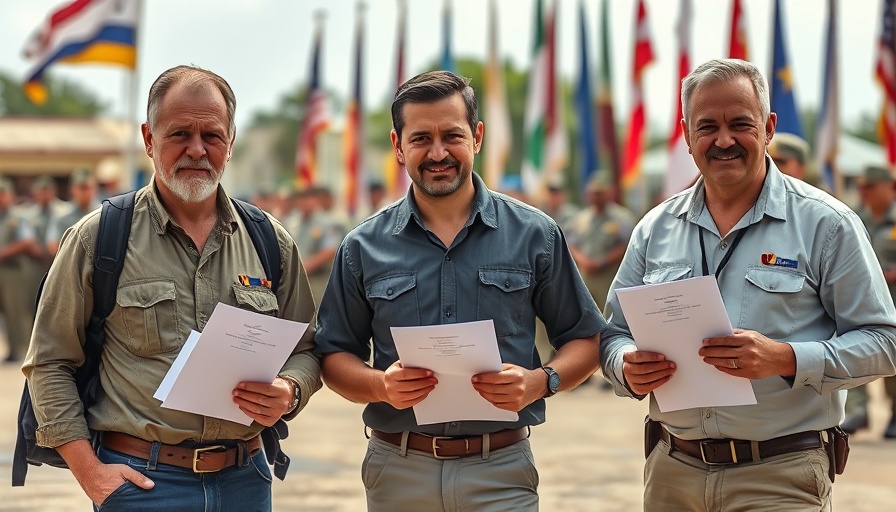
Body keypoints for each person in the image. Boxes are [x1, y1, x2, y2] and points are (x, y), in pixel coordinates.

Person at [600, 58, 896, 511]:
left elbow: (885, 342)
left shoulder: (827, 225)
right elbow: (612, 334)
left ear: (769, 126)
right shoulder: (654, 228)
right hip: (672, 473)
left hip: (780, 474)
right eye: (707, 127)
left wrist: (785, 358)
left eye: (740, 124)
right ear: (686, 134)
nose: (723, 140)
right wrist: (626, 364)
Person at [23, 65, 321, 511]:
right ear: (148, 138)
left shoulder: (269, 240)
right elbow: (49, 363)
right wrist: (91, 473)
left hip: (247, 481)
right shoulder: (98, 239)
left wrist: (291, 390)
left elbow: (308, 347)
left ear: (231, 142)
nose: (197, 149)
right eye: (179, 133)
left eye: (212, 136)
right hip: (141, 483)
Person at [314, 70, 604, 512]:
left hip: (501, 470)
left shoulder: (536, 235)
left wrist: (538, 382)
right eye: (420, 138)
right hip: (398, 472)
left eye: (452, 135)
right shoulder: (361, 246)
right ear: (397, 146)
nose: (437, 153)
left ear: (477, 137)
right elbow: (333, 355)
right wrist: (380, 386)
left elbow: (585, 338)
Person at [843, 164, 896, 438]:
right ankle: (858, 410)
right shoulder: (852, 217)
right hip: (863, 298)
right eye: (861, 187)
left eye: (870, 187)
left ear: (890, 187)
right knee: (853, 349)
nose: (864, 192)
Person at [568, 171, 635, 311]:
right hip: (585, 278)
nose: (596, 197)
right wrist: (583, 261)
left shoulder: (621, 217)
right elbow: (572, 244)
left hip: (610, 277)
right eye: (593, 193)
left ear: (609, 193)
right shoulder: (581, 218)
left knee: (608, 316)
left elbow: (627, 246)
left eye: (600, 193)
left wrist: (601, 262)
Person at [0, 176, 37, 363]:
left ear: (10, 195)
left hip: (12, 272)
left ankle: (17, 350)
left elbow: (27, 241)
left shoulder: (17, 218)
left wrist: (4, 253)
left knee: (14, 312)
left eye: (3, 193)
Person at [47, 168, 100, 257]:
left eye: (87, 188)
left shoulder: (104, 213)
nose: (84, 192)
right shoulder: (63, 215)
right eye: (80, 188)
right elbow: (53, 245)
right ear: (72, 189)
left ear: (95, 189)